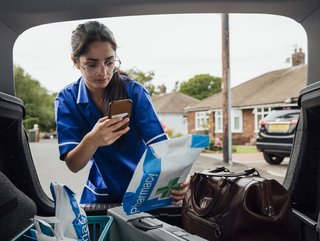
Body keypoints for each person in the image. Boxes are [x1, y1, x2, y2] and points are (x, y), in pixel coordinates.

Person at [55, 20, 189, 205]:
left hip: (146, 189)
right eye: (92, 64)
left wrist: (177, 180)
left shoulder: (135, 92)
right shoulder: (66, 99)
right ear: (75, 62)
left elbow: (160, 147)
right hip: (101, 195)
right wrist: (92, 140)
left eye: (109, 62)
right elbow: (74, 165)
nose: (104, 72)